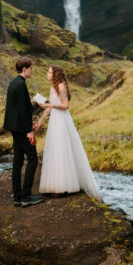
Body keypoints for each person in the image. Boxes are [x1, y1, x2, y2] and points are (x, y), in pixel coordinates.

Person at [36, 64, 102, 201]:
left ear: (55, 75)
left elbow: (65, 106)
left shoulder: (61, 86)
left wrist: (50, 105)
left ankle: (64, 186)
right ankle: (53, 185)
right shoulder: (52, 87)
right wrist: (40, 121)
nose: (47, 74)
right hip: (54, 121)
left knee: (62, 150)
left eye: (49, 72)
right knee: (54, 150)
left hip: (62, 121)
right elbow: (49, 109)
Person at [3, 56, 44, 207]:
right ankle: (26, 196)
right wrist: (29, 130)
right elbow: (22, 110)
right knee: (32, 158)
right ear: (25, 69)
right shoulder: (20, 85)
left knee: (18, 161)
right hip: (21, 129)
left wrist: (28, 123)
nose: (32, 71)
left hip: (14, 127)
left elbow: (18, 109)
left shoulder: (14, 83)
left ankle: (17, 197)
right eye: (31, 68)